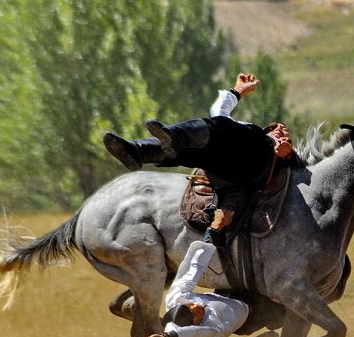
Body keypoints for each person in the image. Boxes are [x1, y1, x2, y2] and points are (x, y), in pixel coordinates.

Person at [103, 73, 294, 245]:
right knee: (193, 149)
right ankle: (137, 151)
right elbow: (219, 110)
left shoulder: (266, 142)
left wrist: (283, 152)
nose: (282, 131)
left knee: (218, 127)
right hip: (224, 172)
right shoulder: (237, 131)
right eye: (278, 129)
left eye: (285, 131)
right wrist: (238, 91)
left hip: (257, 163)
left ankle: (173, 137)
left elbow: (298, 164)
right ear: (267, 129)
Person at [132, 240, 249, 337]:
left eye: (190, 305)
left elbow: (191, 271)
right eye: (194, 313)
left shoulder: (176, 299)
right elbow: (194, 333)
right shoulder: (209, 333)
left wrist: (209, 238)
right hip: (248, 307)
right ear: (194, 324)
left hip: (222, 296)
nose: (196, 306)